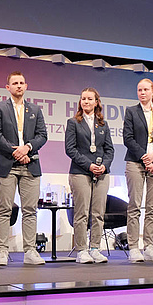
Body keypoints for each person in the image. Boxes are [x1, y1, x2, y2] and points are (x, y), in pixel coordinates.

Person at [0, 71, 48, 266]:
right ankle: (2, 251)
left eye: (22, 82)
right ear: (8, 87)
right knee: (4, 209)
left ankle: (30, 250)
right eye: (14, 83)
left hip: (30, 164)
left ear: (26, 86)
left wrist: (27, 148)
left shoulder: (35, 110)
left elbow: (42, 135)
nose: (19, 86)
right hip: (6, 163)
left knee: (30, 210)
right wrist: (14, 151)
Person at [123, 78, 153, 262]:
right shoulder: (131, 112)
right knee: (134, 206)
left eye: (145, 89)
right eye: (139, 90)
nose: (142, 93)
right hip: (136, 162)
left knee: (152, 208)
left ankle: (149, 246)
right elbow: (128, 138)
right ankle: (134, 247)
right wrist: (145, 157)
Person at [65, 88, 114, 264]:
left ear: (96, 102)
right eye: (83, 99)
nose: (86, 101)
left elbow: (109, 149)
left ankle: (95, 248)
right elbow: (70, 149)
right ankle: (81, 250)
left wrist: (104, 165)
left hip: (101, 173)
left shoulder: (103, 124)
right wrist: (89, 165)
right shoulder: (73, 122)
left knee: (98, 213)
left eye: (89, 99)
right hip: (80, 171)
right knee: (81, 213)